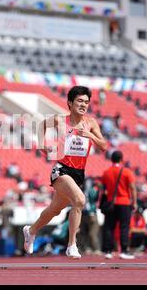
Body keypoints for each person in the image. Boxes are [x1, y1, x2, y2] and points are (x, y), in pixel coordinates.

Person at [23, 86, 107, 259]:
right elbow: (41, 125)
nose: (84, 105)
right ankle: (72, 245)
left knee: (54, 210)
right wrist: (41, 144)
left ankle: (31, 231)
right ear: (70, 102)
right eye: (80, 101)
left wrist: (90, 136)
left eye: (86, 102)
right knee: (79, 200)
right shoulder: (60, 120)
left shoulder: (90, 123)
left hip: (78, 173)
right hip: (61, 169)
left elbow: (104, 146)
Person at [101, 150, 137, 259]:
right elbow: (132, 188)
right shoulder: (127, 172)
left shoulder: (106, 172)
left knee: (109, 227)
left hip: (111, 202)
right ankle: (124, 251)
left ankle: (108, 251)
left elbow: (104, 190)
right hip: (124, 202)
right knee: (124, 227)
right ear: (121, 159)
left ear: (111, 159)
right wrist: (134, 202)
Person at [79, 178, 101, 255]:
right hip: (91, 213)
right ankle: (96, 248)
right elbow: (95, 199)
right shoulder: (91, 190)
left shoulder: (81, 190)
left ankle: (86, 248)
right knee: (93, 233)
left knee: (84, 232)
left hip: (83, 213)